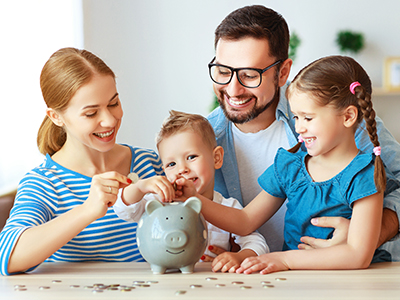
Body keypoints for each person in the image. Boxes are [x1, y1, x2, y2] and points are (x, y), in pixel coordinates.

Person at [207, 5, 400, 258]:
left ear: (283, 72)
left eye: (249, 75)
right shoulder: (203, 139)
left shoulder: (340, 120)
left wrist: (368, 233)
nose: (232, 90)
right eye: (223, 71)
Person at [180, 55, 398, 274]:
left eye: (308, 118)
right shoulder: (291, 166)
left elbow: (357, 255)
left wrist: (284, 260)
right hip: (293, 282)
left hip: (349, 283)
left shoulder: (364, 173)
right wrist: (192, 198)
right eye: (295, 117)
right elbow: (245, 221)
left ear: (348, 116)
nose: (299, 128)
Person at [0, 47, 174, 276]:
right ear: (56, 117)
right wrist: (88, 210)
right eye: (91, 113)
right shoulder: (44, 183)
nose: (110, 120)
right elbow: (8, 257)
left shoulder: (149, 162)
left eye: (113, 103)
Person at [114, 110, 269, 273]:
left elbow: (257, 243)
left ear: (216, 158)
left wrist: (237, 257)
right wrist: (140, 186)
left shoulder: (227, 207)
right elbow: (123, 209)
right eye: (171, 164)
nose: (182, 169)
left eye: (191, 157)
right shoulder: (160, 202)